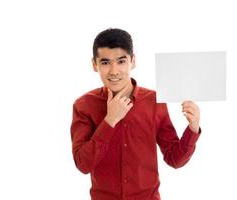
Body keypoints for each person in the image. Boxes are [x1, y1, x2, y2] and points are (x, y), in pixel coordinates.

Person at [70, 28, 202, 200]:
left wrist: (192, 128)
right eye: (105, 62)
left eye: (121, 61)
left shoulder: (155, 101)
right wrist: (110, 120)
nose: (114, 70)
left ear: (133, 61)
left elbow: (174, 159)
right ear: (94, 65)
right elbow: (83, 164)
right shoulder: (83, 105)